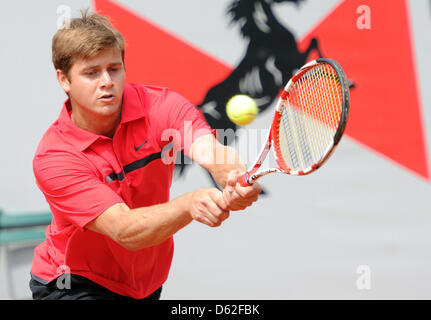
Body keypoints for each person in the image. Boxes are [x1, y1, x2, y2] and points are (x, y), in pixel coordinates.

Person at [29, 11, 261, 300]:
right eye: (91, 73)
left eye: (114, 69)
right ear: (64, 79)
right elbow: (124, 230)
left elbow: (209, 150)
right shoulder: (55, 157)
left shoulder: (162, 106)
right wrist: (190, 203)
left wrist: (232, 179)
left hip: (146, 282)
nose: (106, 82)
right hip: (73, 283)